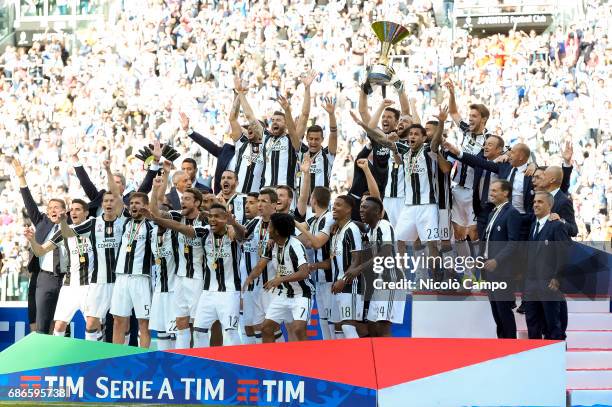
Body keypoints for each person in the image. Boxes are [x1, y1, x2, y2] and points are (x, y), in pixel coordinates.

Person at [146, 203, 246, 347]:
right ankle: (201, 364)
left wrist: (233, 224)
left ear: (225, 218)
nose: (212, 220)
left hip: (229, 292)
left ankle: (235, 367)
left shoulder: (233, 234)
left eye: (217, 216)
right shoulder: (204, 232)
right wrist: (156, 219)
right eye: (210, 216)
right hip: (207, 293)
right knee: (199, 331)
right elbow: (181, 227)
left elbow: (242, 235)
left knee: (230, 332)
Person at [64, 160, 125, 341]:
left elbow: (115, 193)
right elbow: (68, 232)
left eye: (111, 200)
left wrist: (107, 169)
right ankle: (93, 356)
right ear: (101, 204)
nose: (108, 203)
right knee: (91, 323)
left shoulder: (122, 221)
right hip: (98, 281)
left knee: (120, 322)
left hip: (119, 280)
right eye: (105, 200)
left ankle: (118, 358)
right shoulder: (92, 223)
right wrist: (61, 220)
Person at [24, 199, 93, 338]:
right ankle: (50, 357)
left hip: (87, 284)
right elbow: (40, 251)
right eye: (72, 210)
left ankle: (98, 357)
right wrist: (32, 240)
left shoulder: (92, 225)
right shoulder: (59, 231)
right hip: (61, 283)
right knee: (54, 325)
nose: (74, 212)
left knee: (92, 325)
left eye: (78, 209)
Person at [13, 157, 65, 334]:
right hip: (39, 276)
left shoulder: (72, 227)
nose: (52, 210)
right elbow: (29, 202)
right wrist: (21, 178)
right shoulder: (41, 221)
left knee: (54, 323)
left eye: (57, 207)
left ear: (64, 210)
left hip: (61, 278)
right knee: (35, 323)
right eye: (50, 207)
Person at [150, 182, 205, 349]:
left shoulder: (205, 219)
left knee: (198, 324)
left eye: (187, 199)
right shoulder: (177, 216)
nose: (183, 202)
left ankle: (201, 360)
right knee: (180, 321)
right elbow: (155, 213)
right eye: (182, 199)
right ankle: (181, 358)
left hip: (199, 278)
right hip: (180, 278)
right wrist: (154, 190)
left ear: (197, 203)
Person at [246, 213, 314, 343]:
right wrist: (249, 278)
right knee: (266, 328)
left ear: (277, 231)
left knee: (298, 329)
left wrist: (279, 280)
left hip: (302, 294)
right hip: (283, 294)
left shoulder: (295, 246)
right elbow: (261, 265)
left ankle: (307, 360)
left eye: (270, 226)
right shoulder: (272, 244)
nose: (267, 229)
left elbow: (304, 273)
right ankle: (270, 362)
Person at [110, 192, 156, 348]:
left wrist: (155, 189)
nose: (133, 206)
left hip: (140, 277)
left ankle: (143, 358)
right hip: (121, 277)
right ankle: (117, 359)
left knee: (144, 322)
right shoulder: (125, 222)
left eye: (137, 203)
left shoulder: (151, 225)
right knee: (118, 320)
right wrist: (108, 170)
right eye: (131, 203)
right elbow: (115, 197)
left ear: (146, 206)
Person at [524, 191, 570, 340]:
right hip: (531, 285)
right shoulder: (533, 226)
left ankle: (555, 357)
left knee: (552, 324)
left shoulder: (557, 226)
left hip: (550, 284)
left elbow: (563, 255)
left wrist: (557, 278)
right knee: (532, 323)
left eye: (540, 202)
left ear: (550, 205)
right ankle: (535, 357)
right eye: (535, 201)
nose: (535, 204)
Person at [240, 188, 282, 344]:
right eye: (258, 201)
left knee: (271, 327)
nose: (259, 205)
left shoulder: (281, 221)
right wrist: (231, 225)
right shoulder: (255, 222)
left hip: (275, 284)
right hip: (259, 285)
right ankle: (263, 363)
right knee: (258, 327)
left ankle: (283, 363)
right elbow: (242, 235)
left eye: (264, 201)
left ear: (274, 205)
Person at [481, 180, 521, 339]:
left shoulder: (512, 213)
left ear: (506, 193)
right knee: (496, 312)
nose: (491, 193)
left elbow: (513, 243)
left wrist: (497, 260)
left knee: (504, 311)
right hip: (489, 272)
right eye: (491, 190)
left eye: (495, 190)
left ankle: (510, 344)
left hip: (502, 272)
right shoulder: (492, 213)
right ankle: (501, 344)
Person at [330, 195, 365, 339]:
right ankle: (343, 360)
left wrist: (343, 280)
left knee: (348, 325)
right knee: (338, 326)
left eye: (338, 205)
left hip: (350, 284)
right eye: (334, 204)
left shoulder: (352, 229)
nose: (334, 207)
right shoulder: (337, 231)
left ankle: (358, 360)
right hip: (337, 284)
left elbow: (357, 259)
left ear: (349, 209)